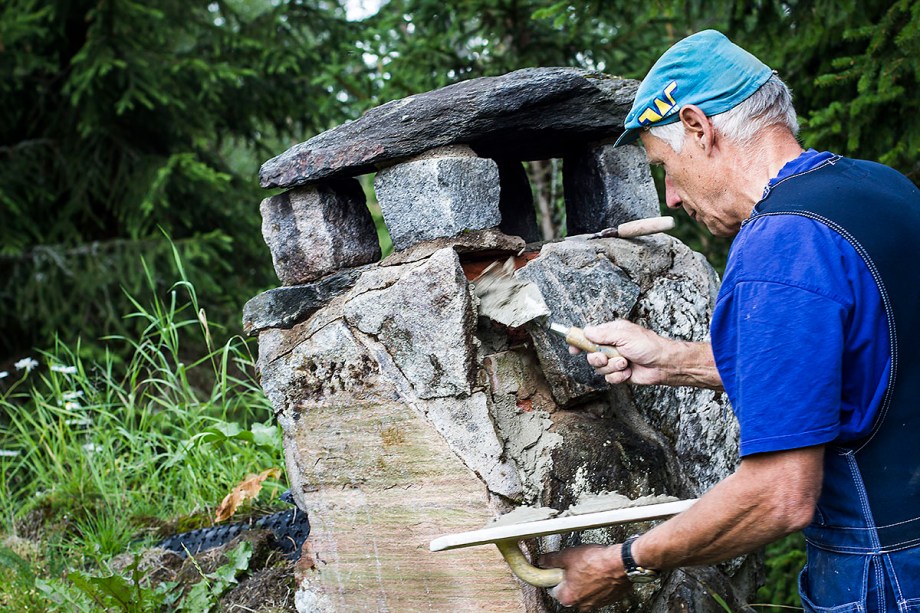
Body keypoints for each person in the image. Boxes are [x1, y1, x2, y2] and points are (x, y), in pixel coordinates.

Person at [539, 30, 920, 612]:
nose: (669, 197)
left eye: (664, 166)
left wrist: (621, 562)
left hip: (886, 574)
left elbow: (779, 495)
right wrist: (672, 360)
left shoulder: (779, 246)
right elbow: (861, 358)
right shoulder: (880, 187)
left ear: (698, 127)